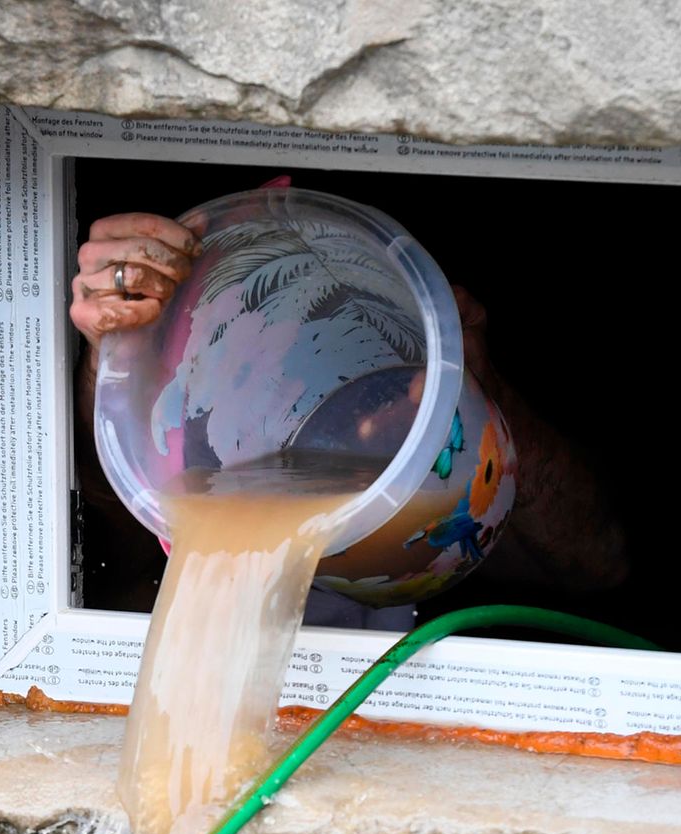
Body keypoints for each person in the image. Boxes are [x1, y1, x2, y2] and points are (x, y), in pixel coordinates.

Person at [70, 210, 629, 620]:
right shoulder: (192, 433)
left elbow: (596, 562)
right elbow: (121, 535)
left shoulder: (451, 467)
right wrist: (116, 355)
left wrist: (479, 386)